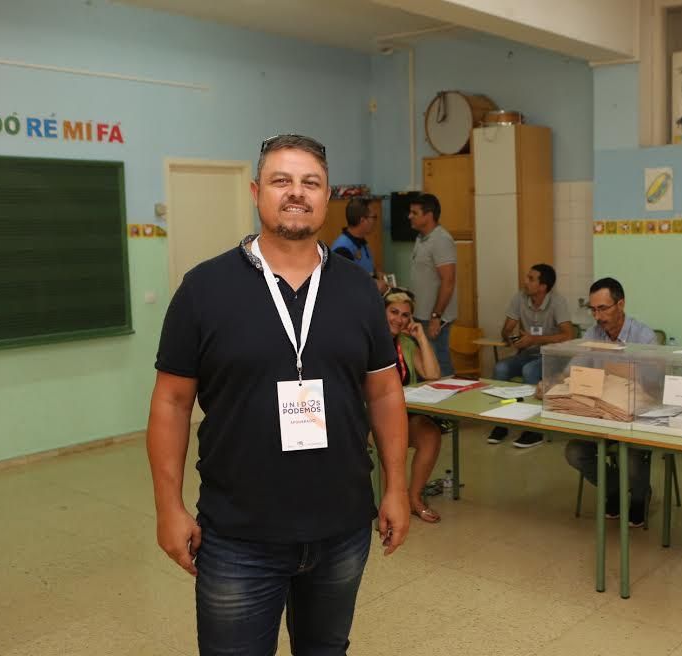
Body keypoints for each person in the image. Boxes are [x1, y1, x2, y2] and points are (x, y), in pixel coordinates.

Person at [146, 134, 410, 655]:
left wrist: (396, 487)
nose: (296, 192)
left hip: (341, 527)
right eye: (281, 180)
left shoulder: (359, 289)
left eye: (311, 182)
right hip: (238, 534)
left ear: (326, 195)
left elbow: (384, 392)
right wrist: (167, 507)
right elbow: (171, 404)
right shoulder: (204, 289)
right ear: (256, 192)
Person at [564, 278, 657, 526]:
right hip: (600, 414)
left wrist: (612, 370)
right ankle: (614, 488)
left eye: (603, 308)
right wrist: (554, 382)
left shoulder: (644, 337)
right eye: (593, 310)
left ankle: (639, 497)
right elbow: (573, 369)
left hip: (634, 417)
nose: (598, 316)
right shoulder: (592, 334)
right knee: (575, 452)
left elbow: (653, 385)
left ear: (621, 304)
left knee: (632, 457)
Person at [486, 264, 574, 448]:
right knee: (500, 368)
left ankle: (534, 428)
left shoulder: (558, 302)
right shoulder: (519, 297)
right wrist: (510, 336)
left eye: (531, 279)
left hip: (553, 356)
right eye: (527, 277)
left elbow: (568, 335)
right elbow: (507, 329)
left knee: (529, 370)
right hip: (529, 352)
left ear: (543, 286)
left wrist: (535, 339)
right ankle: (502, 422)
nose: (525, 281)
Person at [384, 288, 445, 523]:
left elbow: (433, 374)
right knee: (391, 439)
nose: (399, 319)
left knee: (431, 434)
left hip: (404, 414)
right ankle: (390, 499)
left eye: (405, 315)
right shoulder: (368, 341)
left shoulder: (406, 344)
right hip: (374, 417)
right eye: (393, 312)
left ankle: (414, 497)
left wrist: (421, 337)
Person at [408, 193, 457, 377]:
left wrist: (436, 316)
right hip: (420, 315)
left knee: (439, 365)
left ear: (428, 215)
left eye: (414, 213)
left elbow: (448, 281)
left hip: (434, 318)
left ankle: (451, 395)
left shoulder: (441, 240)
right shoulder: (421, 238)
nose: (410, 216)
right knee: (427, 366)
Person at [331, 197, 389, 294]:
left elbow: (361, 271)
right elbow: (345, 285)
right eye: (374, 217)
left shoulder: (361, 241)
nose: (376, 221)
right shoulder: (342, 249)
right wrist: (374, 285)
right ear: (362, 220)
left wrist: (376, 274)